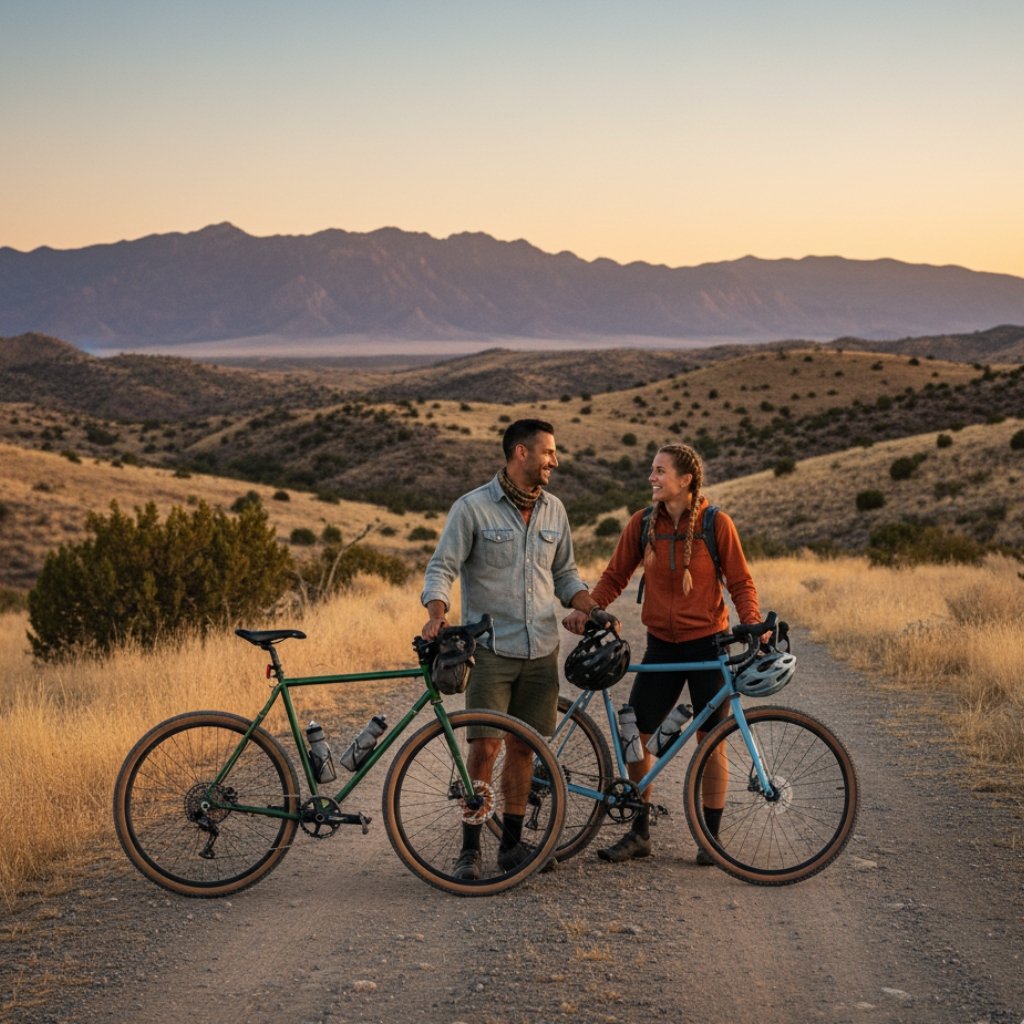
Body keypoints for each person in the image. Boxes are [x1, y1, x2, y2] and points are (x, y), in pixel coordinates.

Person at [421, 418, 604, 879]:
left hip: (542, 651)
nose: (555, 462)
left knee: (525, 748)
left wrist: (590, 606)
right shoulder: (472, 509)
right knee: (484, 748)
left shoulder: (554, 510)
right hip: (491, 651)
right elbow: (442, 566)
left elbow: (565, 575)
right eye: (548, 453)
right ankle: (469, 851)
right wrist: (437, 614)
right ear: (520, 453)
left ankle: (511, 847)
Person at [562, 442, 762, 864]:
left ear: (685, 479)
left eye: (659, 471)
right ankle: (639, 830)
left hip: (709, 643)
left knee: (713, 742)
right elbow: (615, 575)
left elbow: (741, 582)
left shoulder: (715, 523)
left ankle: (712, 841)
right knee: (635, 734)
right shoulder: (643, 523)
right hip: (662, 646)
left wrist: (752, 624)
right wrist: (590, 609)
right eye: (652, 470)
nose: (651, 478)